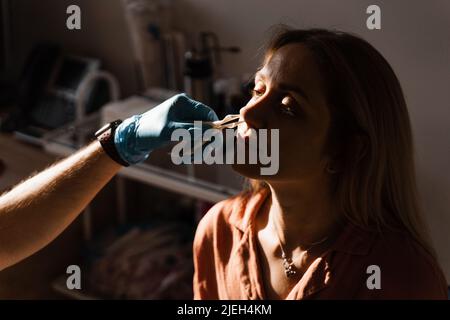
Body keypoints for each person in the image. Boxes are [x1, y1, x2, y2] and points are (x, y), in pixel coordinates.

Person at [192, 28, 448, 299]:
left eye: (288, 107)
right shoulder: (219, 231)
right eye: (257, 90)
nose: (248, 112)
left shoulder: (402, 279)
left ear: (345, 150)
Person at [0, 93, 218, 272]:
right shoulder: (219, 224)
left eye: (254, 94)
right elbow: (6, 236)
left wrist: (116, 145)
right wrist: (120, 143)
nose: (245, 112)